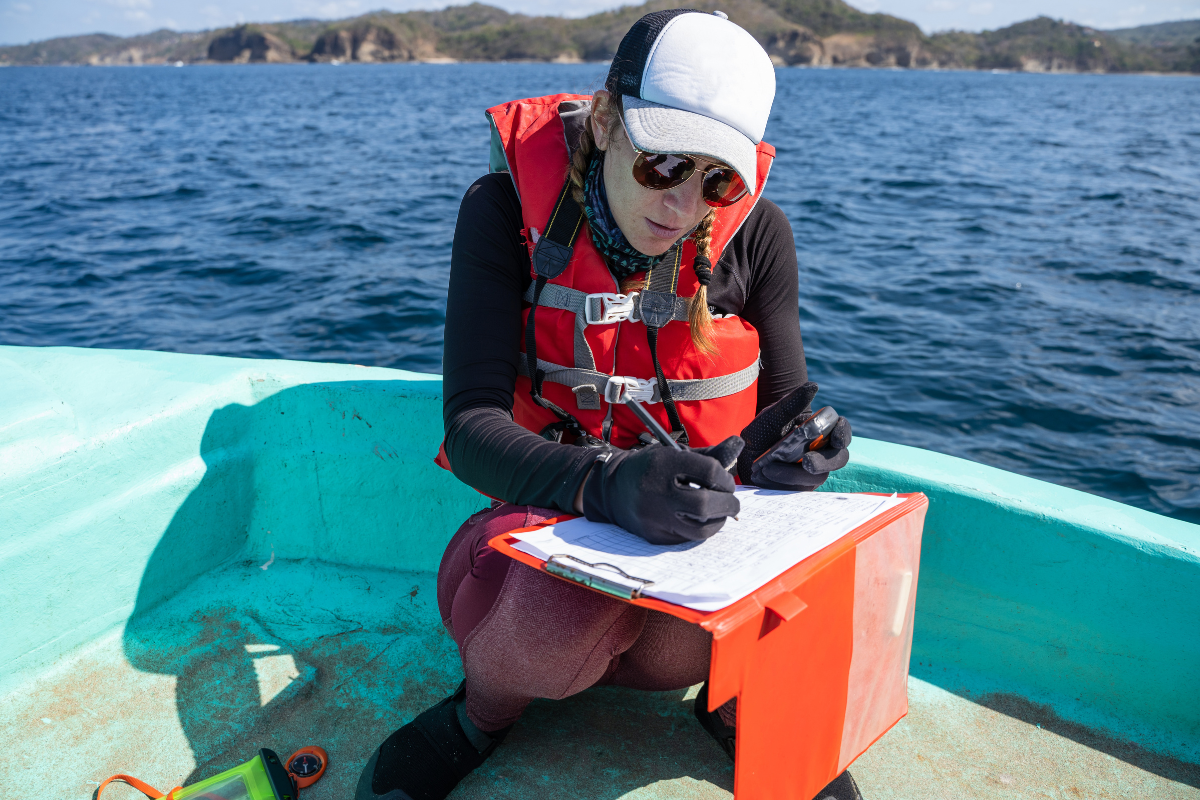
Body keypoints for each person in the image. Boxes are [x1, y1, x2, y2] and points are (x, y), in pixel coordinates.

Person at [356, 10, 858, 800]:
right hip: (535, 545)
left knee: (810, 590)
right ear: (604, 118)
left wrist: (805, 448)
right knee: (559, 616)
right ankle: (482, 714)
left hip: (689, 575)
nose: (684, 203)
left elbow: (783, 409)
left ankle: (730, 710)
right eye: (663, 162)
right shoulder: (498, 212)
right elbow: (472, 424)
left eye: (717, 179)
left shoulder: (761, 239)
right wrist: (603, 485)